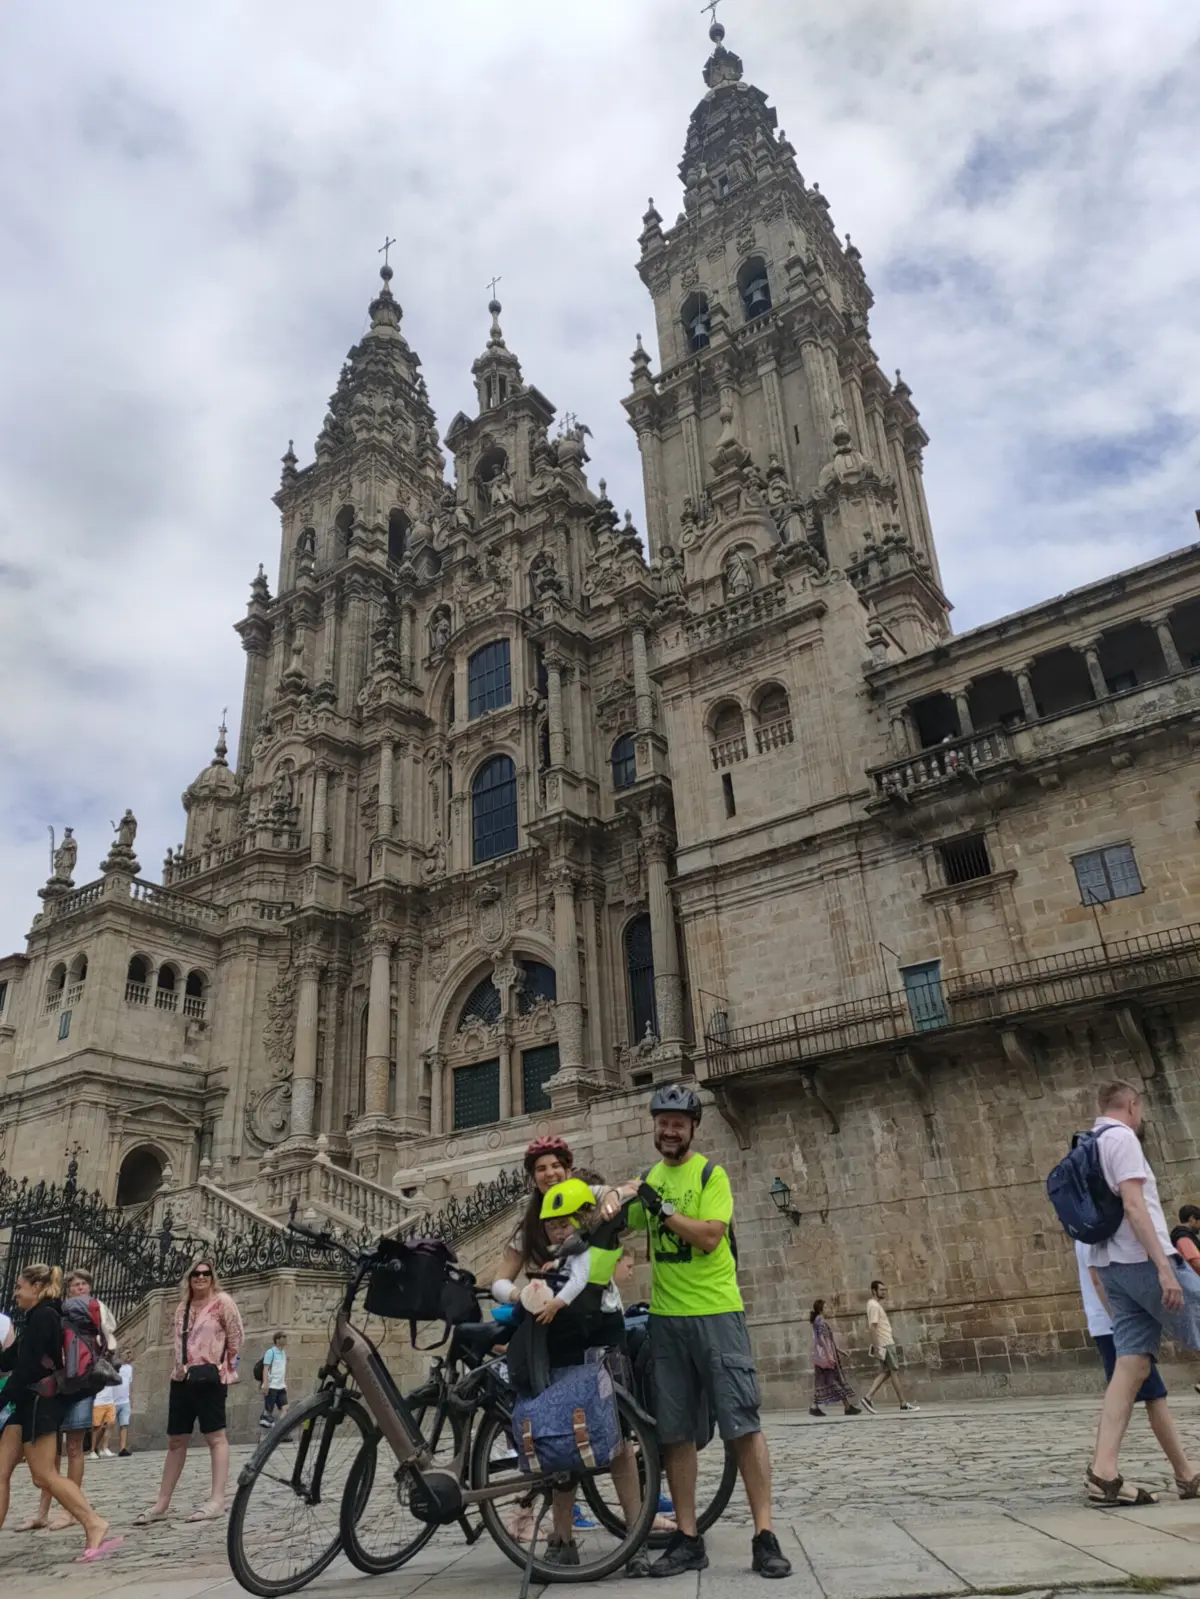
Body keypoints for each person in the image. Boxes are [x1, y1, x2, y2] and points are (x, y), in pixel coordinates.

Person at [601, 1084, 792, 1580]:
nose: (669, 1131)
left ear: (692, 1129)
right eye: (663, 1122)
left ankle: (764, 1535)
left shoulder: (711, 1175)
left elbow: (709, 1237)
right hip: (667, 1320)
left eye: (678, 1124)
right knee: (676, 1433)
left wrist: (661, 1207)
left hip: (717, 1313)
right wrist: (611, 1198)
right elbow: (618, 1222)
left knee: (742, 1424)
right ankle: (687, 1537)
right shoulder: (649, 1178)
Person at [515, 1178, 643, 1567]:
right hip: (565, 1341)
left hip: (601, 1336)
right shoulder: (560, 1245)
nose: (557, 1232)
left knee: (619, 1436)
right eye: (552, 1226)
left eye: (563, 1225)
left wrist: (616, 1197)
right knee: (562, 1435)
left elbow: (631, 1188)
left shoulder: (594, 1222)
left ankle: (635, 1534)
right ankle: (562, 1538)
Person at [1084, 1081, 1200, 1505]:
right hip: (1144, 1261)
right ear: (1132, 1105)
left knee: (1131, 1364)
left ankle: (1103, 1473)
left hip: (1109, 1266)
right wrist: (1165, 1269)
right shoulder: (1122, 1139)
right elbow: (1135, 1206)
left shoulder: (1088, 1145)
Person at [0, 1263, 118, 1558]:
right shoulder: (36, 1317)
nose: (15, 1293)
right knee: (0, 1471)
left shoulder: (45, 1317)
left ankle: (93, 1522)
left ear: (37, 1287)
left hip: (39, 1404)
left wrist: (1, 1400)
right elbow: (11, 1359)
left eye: (19, 1287)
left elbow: (27, 1370)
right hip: (26, 1405)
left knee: (44, 1475)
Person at [1074, 1238, 1197, 1504]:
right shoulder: (1096, 1238)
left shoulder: (1088, 1234)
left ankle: (1184, 1474)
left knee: (1148, 1396)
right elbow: (1097, 1280)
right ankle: (1182, 1474)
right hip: (1113, 1326)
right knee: (1147, 1397)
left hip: (1109, 1325)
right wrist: (1123, 1323)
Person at [135, 1258, 244, 1525]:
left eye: (206, 1273)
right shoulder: (182, 1307)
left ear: (213, 1277)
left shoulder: (223, 1303)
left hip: (210, 1377)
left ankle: (217, 1499)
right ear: (189, 1278)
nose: (201, 1277)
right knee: (176, 1440)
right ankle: (162, 1503)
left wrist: (226, 1368)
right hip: (182, 1378)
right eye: (196, 1274)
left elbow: (236, 1337)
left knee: (215, 1437)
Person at [861, 1282, 918, 1413]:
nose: (884, 1292)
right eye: (881, 1290)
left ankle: (868, 1398)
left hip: (885, 1342)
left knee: (887, 1371)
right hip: (885, 1343)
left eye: (885, 1290)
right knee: (893, 1371)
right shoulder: (874, 1306)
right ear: (874, 1291)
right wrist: (877, 1346)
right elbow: (872, 1327)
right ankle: (902, 1403)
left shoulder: (873, 1305)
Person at [808, 1300, 861, 1418]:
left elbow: (828, 1341)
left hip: (823, 1358)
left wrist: (840, 1351)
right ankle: (847, 1407)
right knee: (835, 1381)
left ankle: (814, 1407)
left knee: (824, 1382)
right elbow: (821, 1339)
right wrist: (829, 1355)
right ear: (821, 1309)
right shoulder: (820, 1321)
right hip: (827, 1358)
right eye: (826, 1307)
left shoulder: (818, 1321)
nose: (828, 1309)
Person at [259, 1332, 288, 1428]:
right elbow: (265, 1369)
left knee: (285, 1408)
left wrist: (284, 1384)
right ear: (277, 1340)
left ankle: (279, 1429)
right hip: (272, 1386)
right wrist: (265, 1385)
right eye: (283, 1337)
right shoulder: (270, 1352)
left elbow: (282, 1370)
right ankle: (269, 1433)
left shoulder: (283, 1353)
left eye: (285, 1337)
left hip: (281, 1386)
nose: (285, 1339)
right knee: (268, 1411)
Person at [112, 1353, 134, 1456]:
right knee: (107, 1426)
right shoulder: (114, 1367)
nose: (129, 1355)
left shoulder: (129, 1368)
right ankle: (101, 1448)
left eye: (130, 1353)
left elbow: (129, 1384)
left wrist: (131, 1398)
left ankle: (123, 1448)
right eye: (127, 1353)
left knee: (124, 1424)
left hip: (125, 1400)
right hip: (113, 1401)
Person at [1169, 1205, 1200, 1276]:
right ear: (1192, 1219)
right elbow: (1196, 1262)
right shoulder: (1184, 1237)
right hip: (1193, 1278)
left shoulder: (1180, 1234)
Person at [91, 1385, 117, 1458]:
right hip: (98, 1402)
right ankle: (92, 1451)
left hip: (110, 1402)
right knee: (96, 1427)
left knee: (111, 1423)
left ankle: (105, 1448)